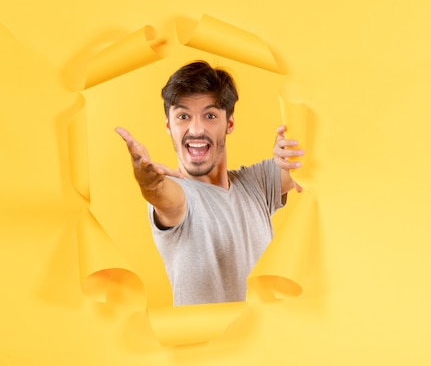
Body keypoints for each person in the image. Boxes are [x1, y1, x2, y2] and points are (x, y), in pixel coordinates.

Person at [115, 60, 304, 306]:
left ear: (230, 124)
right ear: (169, 126)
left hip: (266, 342)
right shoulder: (179, 195)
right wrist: (147, 180)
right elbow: (162, 195)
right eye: (183, 116)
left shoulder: (257, 183)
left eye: (210, 115)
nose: (196, 129)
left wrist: (291, 151)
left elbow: (307, 164)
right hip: (206, 344)